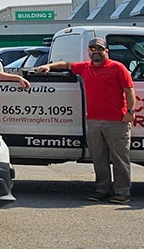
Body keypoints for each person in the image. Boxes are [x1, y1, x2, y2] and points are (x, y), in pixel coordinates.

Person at [34, 37, 136, 204]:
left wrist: (131, 111)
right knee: (99, 158)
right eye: (92, 49)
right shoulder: (85, 67)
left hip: (117, 120)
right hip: (94, 120)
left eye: (99, 49)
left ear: (106, 51)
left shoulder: (117, 67)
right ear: (89, 51)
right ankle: (102, 190)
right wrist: (48, 66)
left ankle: (122, 192)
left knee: (120, 158)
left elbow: (129, 90)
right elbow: (66, 65)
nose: (96, 52)